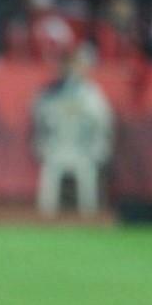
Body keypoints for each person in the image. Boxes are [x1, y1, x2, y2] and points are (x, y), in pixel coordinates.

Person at [33, 44, 114, 217]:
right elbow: (39, 122)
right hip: (56, 150)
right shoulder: (48, 93)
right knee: (50, 174)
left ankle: (89, 218)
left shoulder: (91, 93)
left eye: (74, 65)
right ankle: (46, 220)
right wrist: (42, 145)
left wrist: (98, 148)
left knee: (87, 177)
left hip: (83, 151)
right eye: (66, 65)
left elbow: (103, 123)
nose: (69, 71)